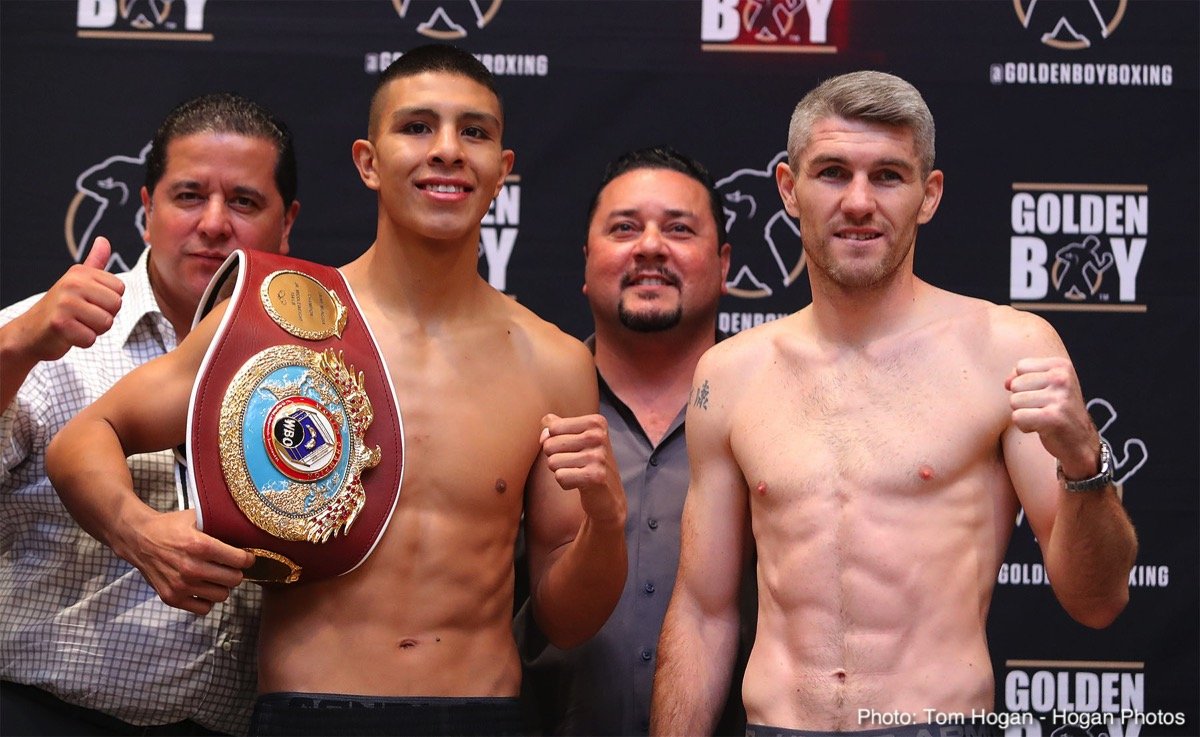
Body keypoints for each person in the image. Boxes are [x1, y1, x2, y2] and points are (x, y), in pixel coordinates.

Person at [47, 44, 628, 737]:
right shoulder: (276, 316)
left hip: (481, 712)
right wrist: (141, 532)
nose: (447, 149)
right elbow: (82, 437)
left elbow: (567, 618)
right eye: (417, 127)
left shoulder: (555, 361)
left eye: (473, 131)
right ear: (368, 161)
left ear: (502, 170)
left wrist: (606, 521)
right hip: (308, 711)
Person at [649, 71, 1138, 737]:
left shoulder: (1008, 349)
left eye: (887, 176)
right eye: (831, 172)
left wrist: (1085, 461)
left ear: (927, 195)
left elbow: (1098, 599)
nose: (857, 201)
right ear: (789, 189)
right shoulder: (730, 374)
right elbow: (703, 613)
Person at [0, 92, 300, 736]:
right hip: (42, 714)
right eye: (189, 196)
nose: (215, 224)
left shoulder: (311, 370)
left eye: (244, 201)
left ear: (287, 223)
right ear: (146, 211)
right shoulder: (44, 334)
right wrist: (15, 348)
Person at [516, 147, 755, 736]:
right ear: (587, 262)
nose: (650, 246)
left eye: (679, 228)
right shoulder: (522, 407)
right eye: (624, 228)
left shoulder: (776, 412)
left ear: (724, 264)